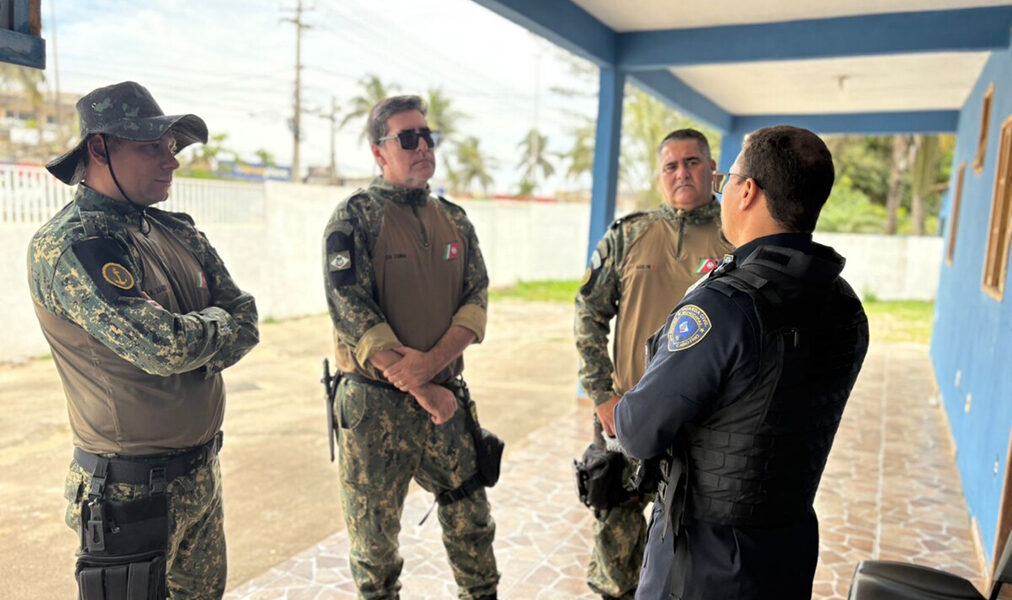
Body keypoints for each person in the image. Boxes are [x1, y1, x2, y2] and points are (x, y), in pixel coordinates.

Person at [613, 125, 870, 600]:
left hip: (703, 565)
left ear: (747, 191)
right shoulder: (844, 304)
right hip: (786, 554)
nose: (722, 190)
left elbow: (636, 430)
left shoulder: (724, 307)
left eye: (727, 178)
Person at [28, 81, 259, 599]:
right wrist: (213, 326)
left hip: (200, 474)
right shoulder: (74, 244)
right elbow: (162, 348)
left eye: (171, 146)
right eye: (152, 146)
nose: (170, 160)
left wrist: (199, 332)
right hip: (129, 494)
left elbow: (248, 319)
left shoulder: (177, 232)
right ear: (99, 148)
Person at [322, 95, 498, 600]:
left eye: (427, 136)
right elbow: (350, 309)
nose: (422, 146)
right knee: (374, 545)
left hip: (446, 403)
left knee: (472, 525)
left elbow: (476, 298)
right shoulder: (355, 217)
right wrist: (421, 386)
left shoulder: (455, 220)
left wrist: (431, 370)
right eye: (407, 138)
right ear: (379, 152)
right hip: (374, 408)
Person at [574, 129, 732, 600]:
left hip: (704, 427)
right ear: (660, 174)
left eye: (693, 162)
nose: (682, 173)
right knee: (615, 545)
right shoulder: (629, 234)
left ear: (712, 168)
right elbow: (588, 312)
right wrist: (602, 395)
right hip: (627, 416)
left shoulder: (735, 236)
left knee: (689, 551)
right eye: (671, 165)